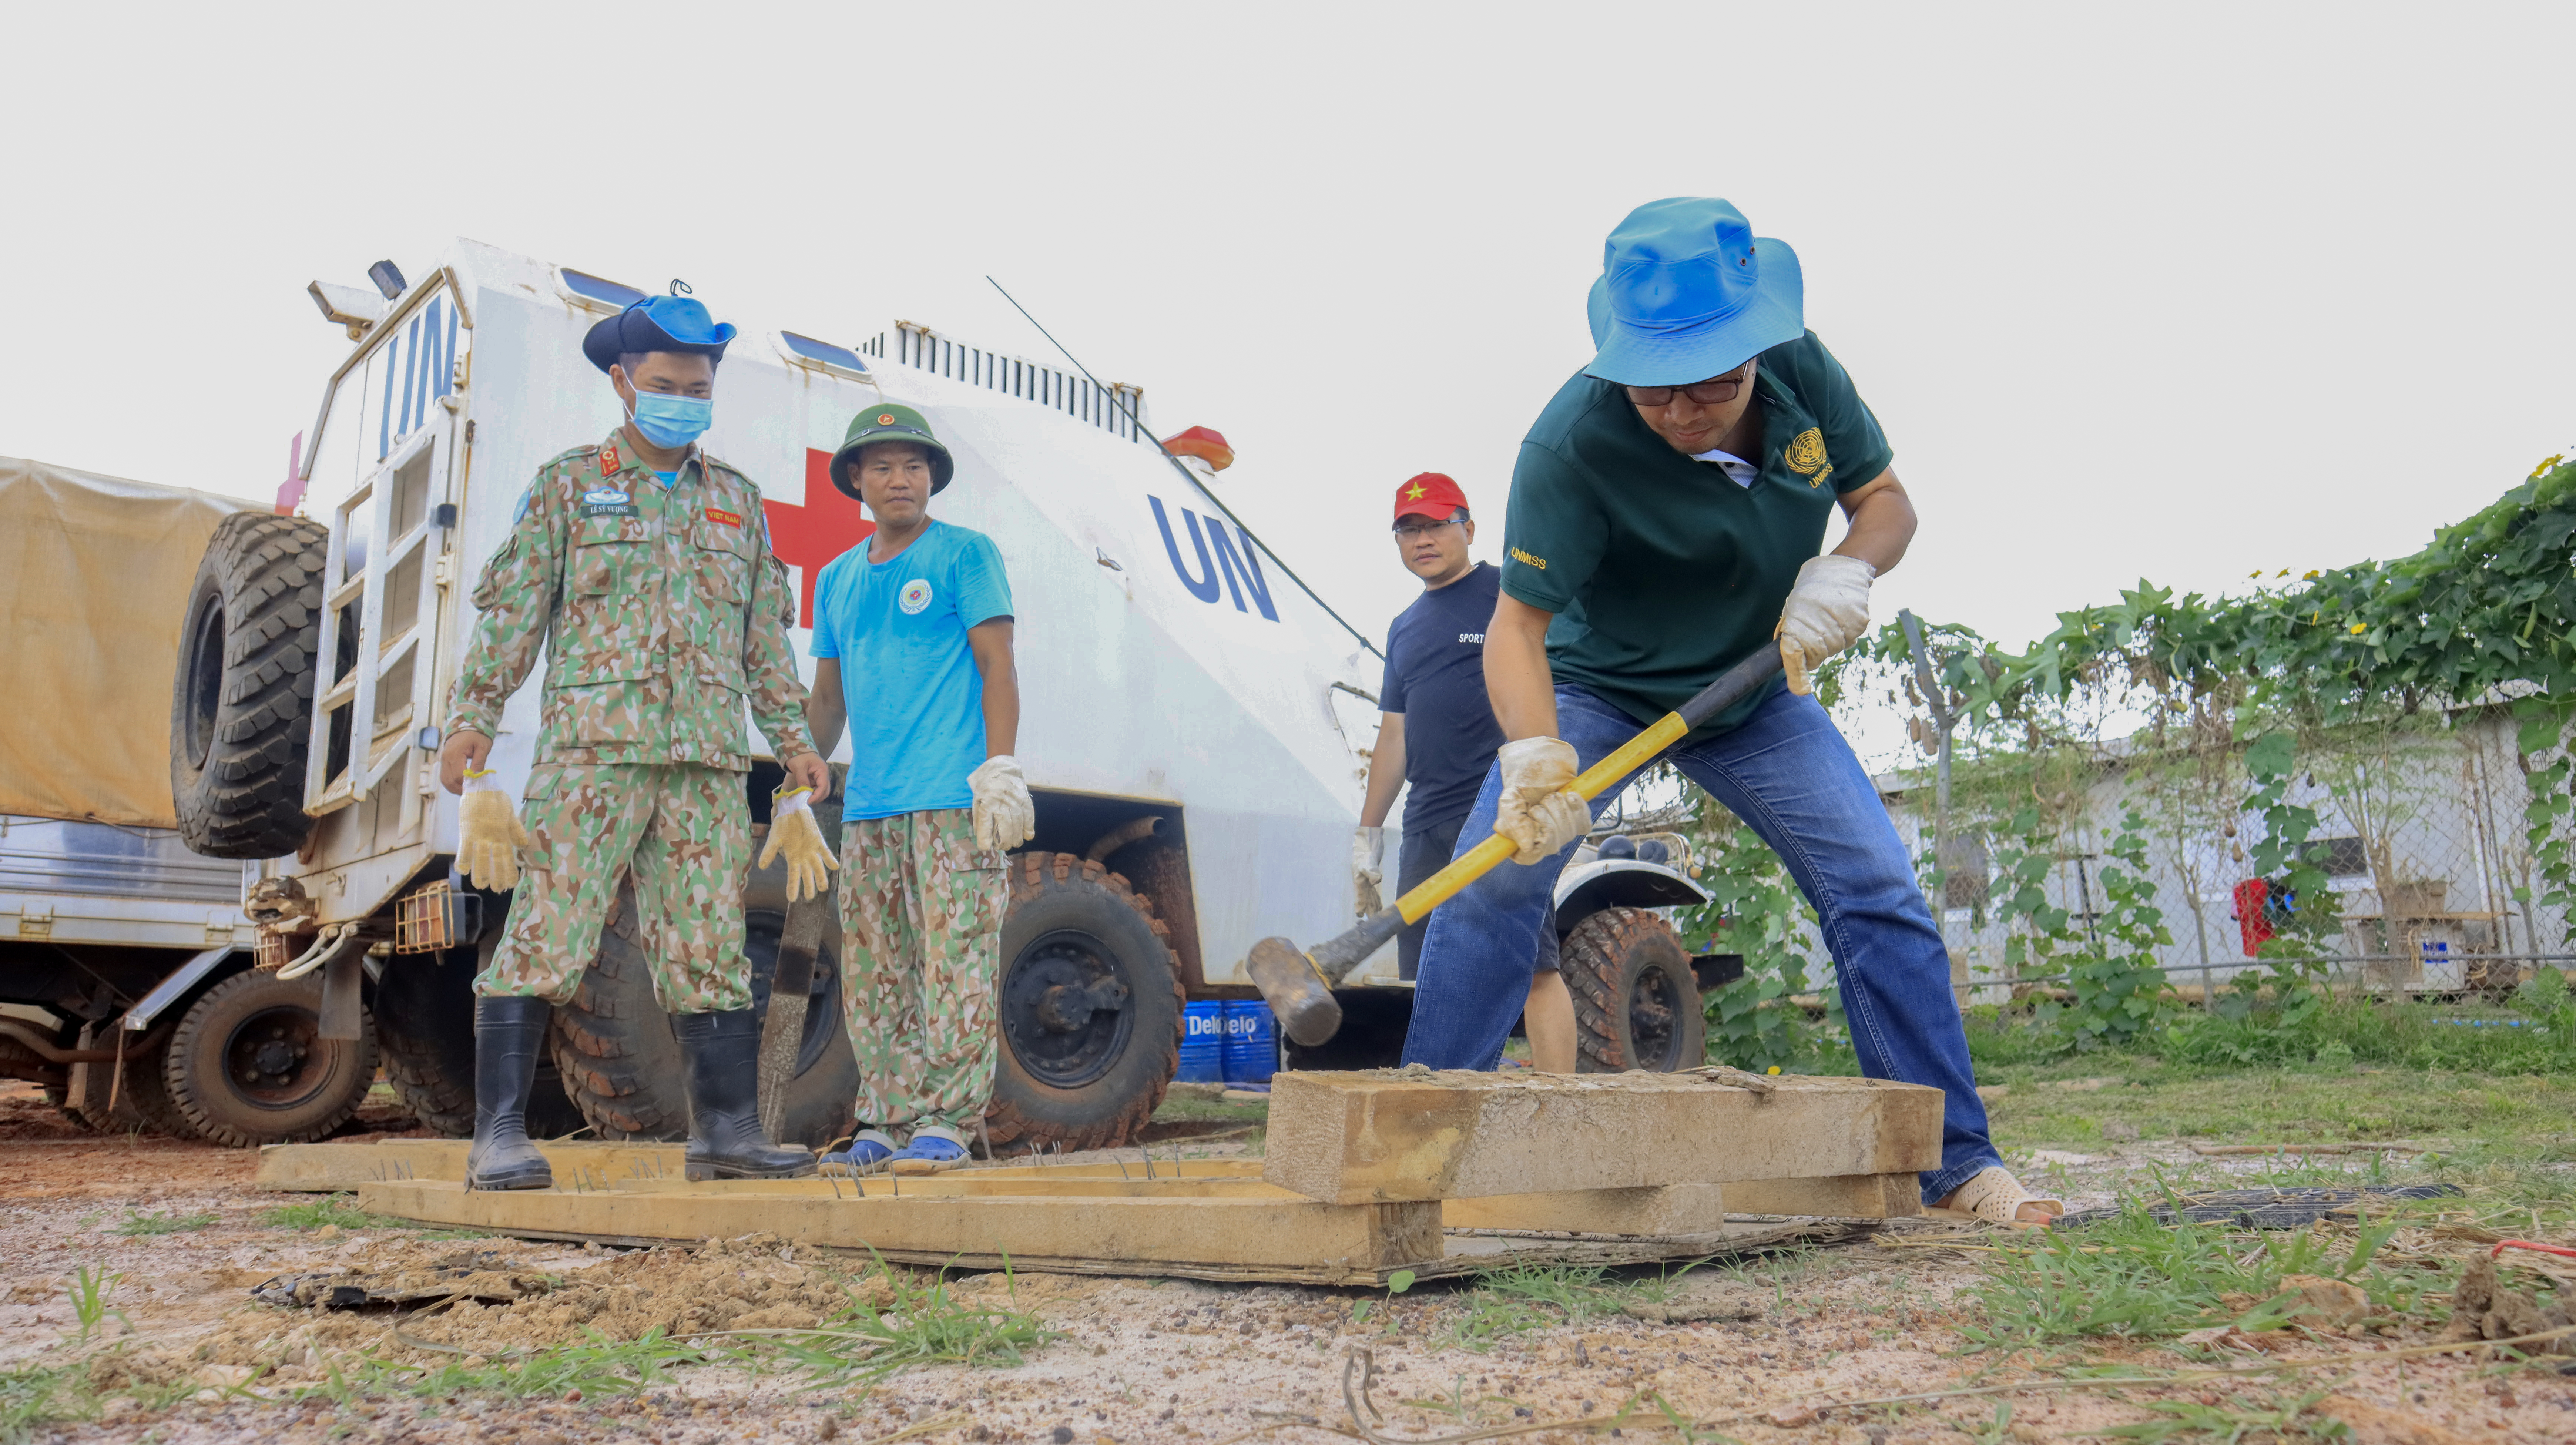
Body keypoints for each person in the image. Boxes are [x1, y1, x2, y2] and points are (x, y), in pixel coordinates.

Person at [1403, 197, 2058, 1227]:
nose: (1678, 411)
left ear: (1757, 344)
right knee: (1498, 876)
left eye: (1707, 381)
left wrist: (1848, 568)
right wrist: (1536, 758)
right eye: (1652, 391)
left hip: (1757, 687)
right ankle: (1415, 1165)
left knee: (1878, 890)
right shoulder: (1569, 444)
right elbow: (1518, 629)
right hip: (1600, 687)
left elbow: (1886, 500)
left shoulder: (1805, 373)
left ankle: (1957, 1164)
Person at [440, 289, 833, 1190]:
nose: (684, 400)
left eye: (698, 387)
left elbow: (763, 641)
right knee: (545, 933)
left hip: (703, 764)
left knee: (708, 951)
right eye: (665, 384)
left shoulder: (736, 500)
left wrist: (796, 740)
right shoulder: (569, 485)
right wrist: (473, 717)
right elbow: (513, 616)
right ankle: (498, 1132)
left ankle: (726, 1133)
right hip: (592, 756)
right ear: (623, 382)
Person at [801, 404, 1034, 1168]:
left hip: (950, 799)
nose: (900, 479)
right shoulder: (835, 579)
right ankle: (883, 1119)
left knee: (956, 961)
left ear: (932, 476)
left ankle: (947, 1121)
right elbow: (829, 699)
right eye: (881, 466)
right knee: (877, 972)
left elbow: (997, 664)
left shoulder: (965, 554)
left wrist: (998, 768)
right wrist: (799, 775)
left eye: (914, 465)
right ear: (856, 481)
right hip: (870, 807)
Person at [1354, 472, 1577, 1072]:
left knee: (1534, 965)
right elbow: (1394, 735)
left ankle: (1564, 1109)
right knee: (1426, 980)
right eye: (1409, 529)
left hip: (1501, 811)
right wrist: (1369, 833)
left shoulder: (1510, 595)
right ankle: (1434, 1118)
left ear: (1469, 529)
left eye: (1437, 525)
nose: (1423, 539)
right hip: (1427, 824)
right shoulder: (1404, 629)